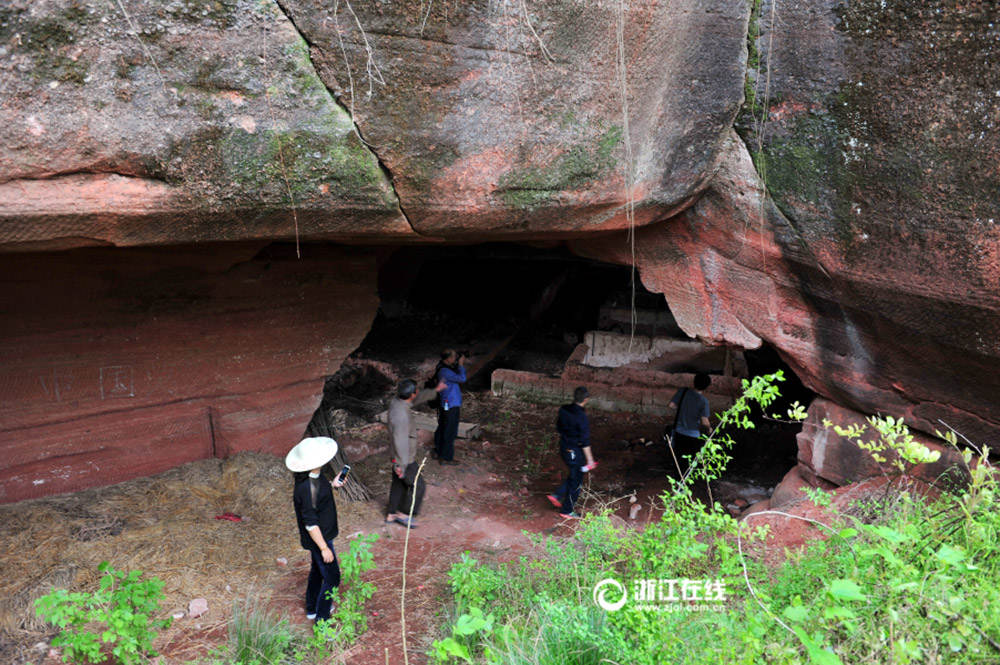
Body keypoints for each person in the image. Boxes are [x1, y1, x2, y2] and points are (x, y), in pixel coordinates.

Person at [286, 436, 346, 622]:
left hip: (321, 536)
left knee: (317, 571)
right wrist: (324, 548)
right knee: (332, 577)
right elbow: (310, 523)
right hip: (321, 538)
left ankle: (312, 606)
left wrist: (332, 485)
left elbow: (315, 497)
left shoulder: (311, 479)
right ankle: (322, 621)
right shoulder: (307, 487)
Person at [386, 379, 430, 528]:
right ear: (412, 394)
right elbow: (400, 441)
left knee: (398, 484)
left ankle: (391, 513)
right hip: (404, 458)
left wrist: (435, 391)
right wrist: (401, 465)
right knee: (419, 485)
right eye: (416, 391)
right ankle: (405, 514)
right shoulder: (401, 416)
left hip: (396, 455)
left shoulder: (396, 402)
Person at [547, 386, 596, 518]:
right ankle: (566, 510)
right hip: (574, 451)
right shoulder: (581, 417)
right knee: (576, 481)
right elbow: (585, 441)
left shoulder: (564, 409)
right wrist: (590, 460)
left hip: (563, 446)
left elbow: (558, 427)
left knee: (576, 474)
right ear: (586, 399)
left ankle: (557, 494)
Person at [666, 373, 712, 465]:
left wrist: (683, 409)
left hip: (678, 432)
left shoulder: (683, 391)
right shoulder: (703, 401)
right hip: (692, 435)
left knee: (678, 460)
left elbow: (671, 405)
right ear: (707, 387)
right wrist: (709, 429)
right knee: (689, 463)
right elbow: (704, 422)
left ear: (694, 382)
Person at [433, 349, 466, 465]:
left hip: (446, 403)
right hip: (451, 404)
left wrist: (457, 364)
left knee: (442, 426)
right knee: (450, 430)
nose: (455, 359)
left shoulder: (441, 367)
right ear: (447, 358)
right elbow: (462, 378)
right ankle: (446, 457)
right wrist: (461, 365)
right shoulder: (445, 371)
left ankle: (438, 451)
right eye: (453, 357)